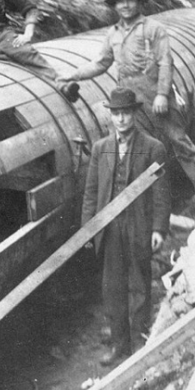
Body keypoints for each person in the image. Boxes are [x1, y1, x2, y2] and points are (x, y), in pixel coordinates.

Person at [59, 0, 195, 206]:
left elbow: (165, 62)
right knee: (133, 146)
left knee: (178, 140)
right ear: (114, 6)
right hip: (130, 98)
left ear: (140, 2)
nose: (125, 5)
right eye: (120, 1)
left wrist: (162, 94)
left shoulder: (153, 28)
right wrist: (72, 75)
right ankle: (139, 199)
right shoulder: (112, 33)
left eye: (130, 0)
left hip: (156, 93)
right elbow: (101, 63)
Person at [82, 87, 171, 366]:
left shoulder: (153, 147)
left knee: (139, 285)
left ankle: (139, 346)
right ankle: (119, 345)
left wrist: (158, 228)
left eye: (126, 113)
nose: (121, 119)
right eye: (116, 114)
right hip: (110, 226)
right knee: (113, 287)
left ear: (134, 114)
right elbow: (91, 192)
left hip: (139, 224)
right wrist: (89, 229)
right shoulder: (101, 148)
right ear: (110, 116)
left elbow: (161, 193)